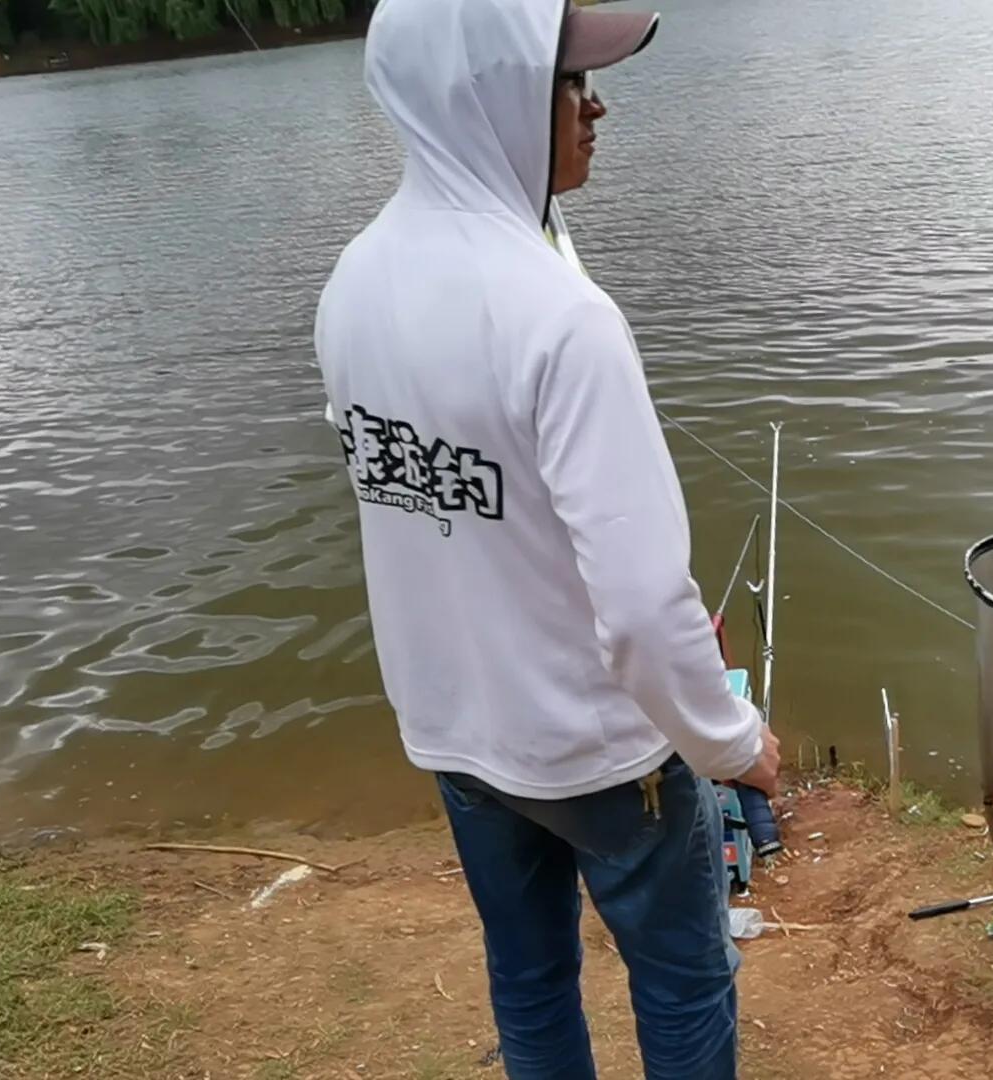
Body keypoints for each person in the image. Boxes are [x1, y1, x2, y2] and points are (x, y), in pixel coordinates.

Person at [312, 1, 780, 1077]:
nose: (595, 106)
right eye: (568, 83)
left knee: (528, 982)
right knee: (685, 984)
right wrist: (730, 743)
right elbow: (645, 608)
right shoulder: (563, 319)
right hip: (599, 752)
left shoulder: (351, 285)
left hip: (457, 732)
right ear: (486, 98)